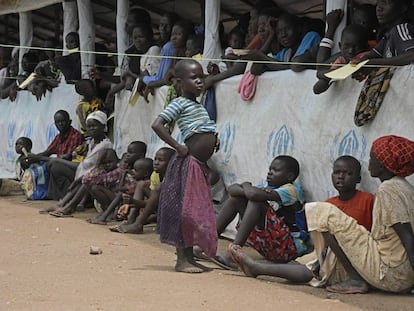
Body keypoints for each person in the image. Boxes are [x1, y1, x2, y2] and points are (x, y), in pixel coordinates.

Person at [226, 156, 376, 287]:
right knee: (303, 266)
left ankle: (256, 267)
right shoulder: (329, 204)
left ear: (358, 178)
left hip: (354, 250)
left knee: (309, 270)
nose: (341, 177)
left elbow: (371, 233)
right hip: (329, 251)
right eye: (337, 173)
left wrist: (246, 185)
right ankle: (217, 248)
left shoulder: (367, 200)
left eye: (348, 173)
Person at [151, 59, 220, 273]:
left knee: (193, 211)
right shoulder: (179, 103)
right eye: (194, 78)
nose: (200, 81)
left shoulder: (196, 105)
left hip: (198, 164)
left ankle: (189, 258)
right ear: (180, 83)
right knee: (185, 212)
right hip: (188, 163)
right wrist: (178, 146)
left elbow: (199, 129)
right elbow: (158, 125)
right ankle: (181, 260)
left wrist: (213, 139)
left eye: (202, 77)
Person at [210, 155, 304, 270]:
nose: (270, 173)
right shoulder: (265, 187)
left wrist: (245, 185)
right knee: (236, 200)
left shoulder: (292, 190)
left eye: (276, 170)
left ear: (290, 176)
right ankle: (207, 244)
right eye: (270, 169)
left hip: (288, 248)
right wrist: (247, 188)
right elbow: (232, 190)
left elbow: (253, 195)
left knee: (257, 202)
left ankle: (233, 251)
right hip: (268, 245)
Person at [44, 111, 112, 216]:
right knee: (77, 176)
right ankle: (62, 203)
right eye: (89, 127)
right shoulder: (92, 143)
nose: (91, 129)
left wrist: (58, 160)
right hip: (85, 173)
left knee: (85, 179)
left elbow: (96, 167)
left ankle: (69, 206)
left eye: (95, 126)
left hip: (97, 177)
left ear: (103, 127)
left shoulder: (106, 145)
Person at [109, 147, 176, 233]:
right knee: (141, 184)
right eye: (155, 159)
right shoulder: (155, 175)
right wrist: (130, 205)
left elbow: (157, 202)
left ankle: (138, 224)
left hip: (174, 209)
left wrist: (133, 202)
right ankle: (131, 220)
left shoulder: (174, 178)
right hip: (160, 206)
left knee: (159, 187)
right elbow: (152, 201)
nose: (156, 163)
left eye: (160, 160)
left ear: (172, 163)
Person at [25, 110, 85, 200]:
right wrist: (32, 158)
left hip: (75, 169)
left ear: (70, 122)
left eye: (63, 121)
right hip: (62, 165)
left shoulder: (75, 136)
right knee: (42, 165)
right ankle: (54, 194)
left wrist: (39, 158)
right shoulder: (59, 137)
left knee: (54, 166)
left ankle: (68, 196)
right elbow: (47, 152)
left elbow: (66, 158)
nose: (60, 124)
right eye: (57, 122)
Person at [313, 24, 371, 94]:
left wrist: (322, 74)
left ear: (366, 47)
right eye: (346, 46)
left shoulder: (366, 57)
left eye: (357, 47)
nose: (351, 51)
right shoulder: (341, 60)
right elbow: (317, 89)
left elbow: (322, 73)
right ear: (340, 46)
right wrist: (330, 72)